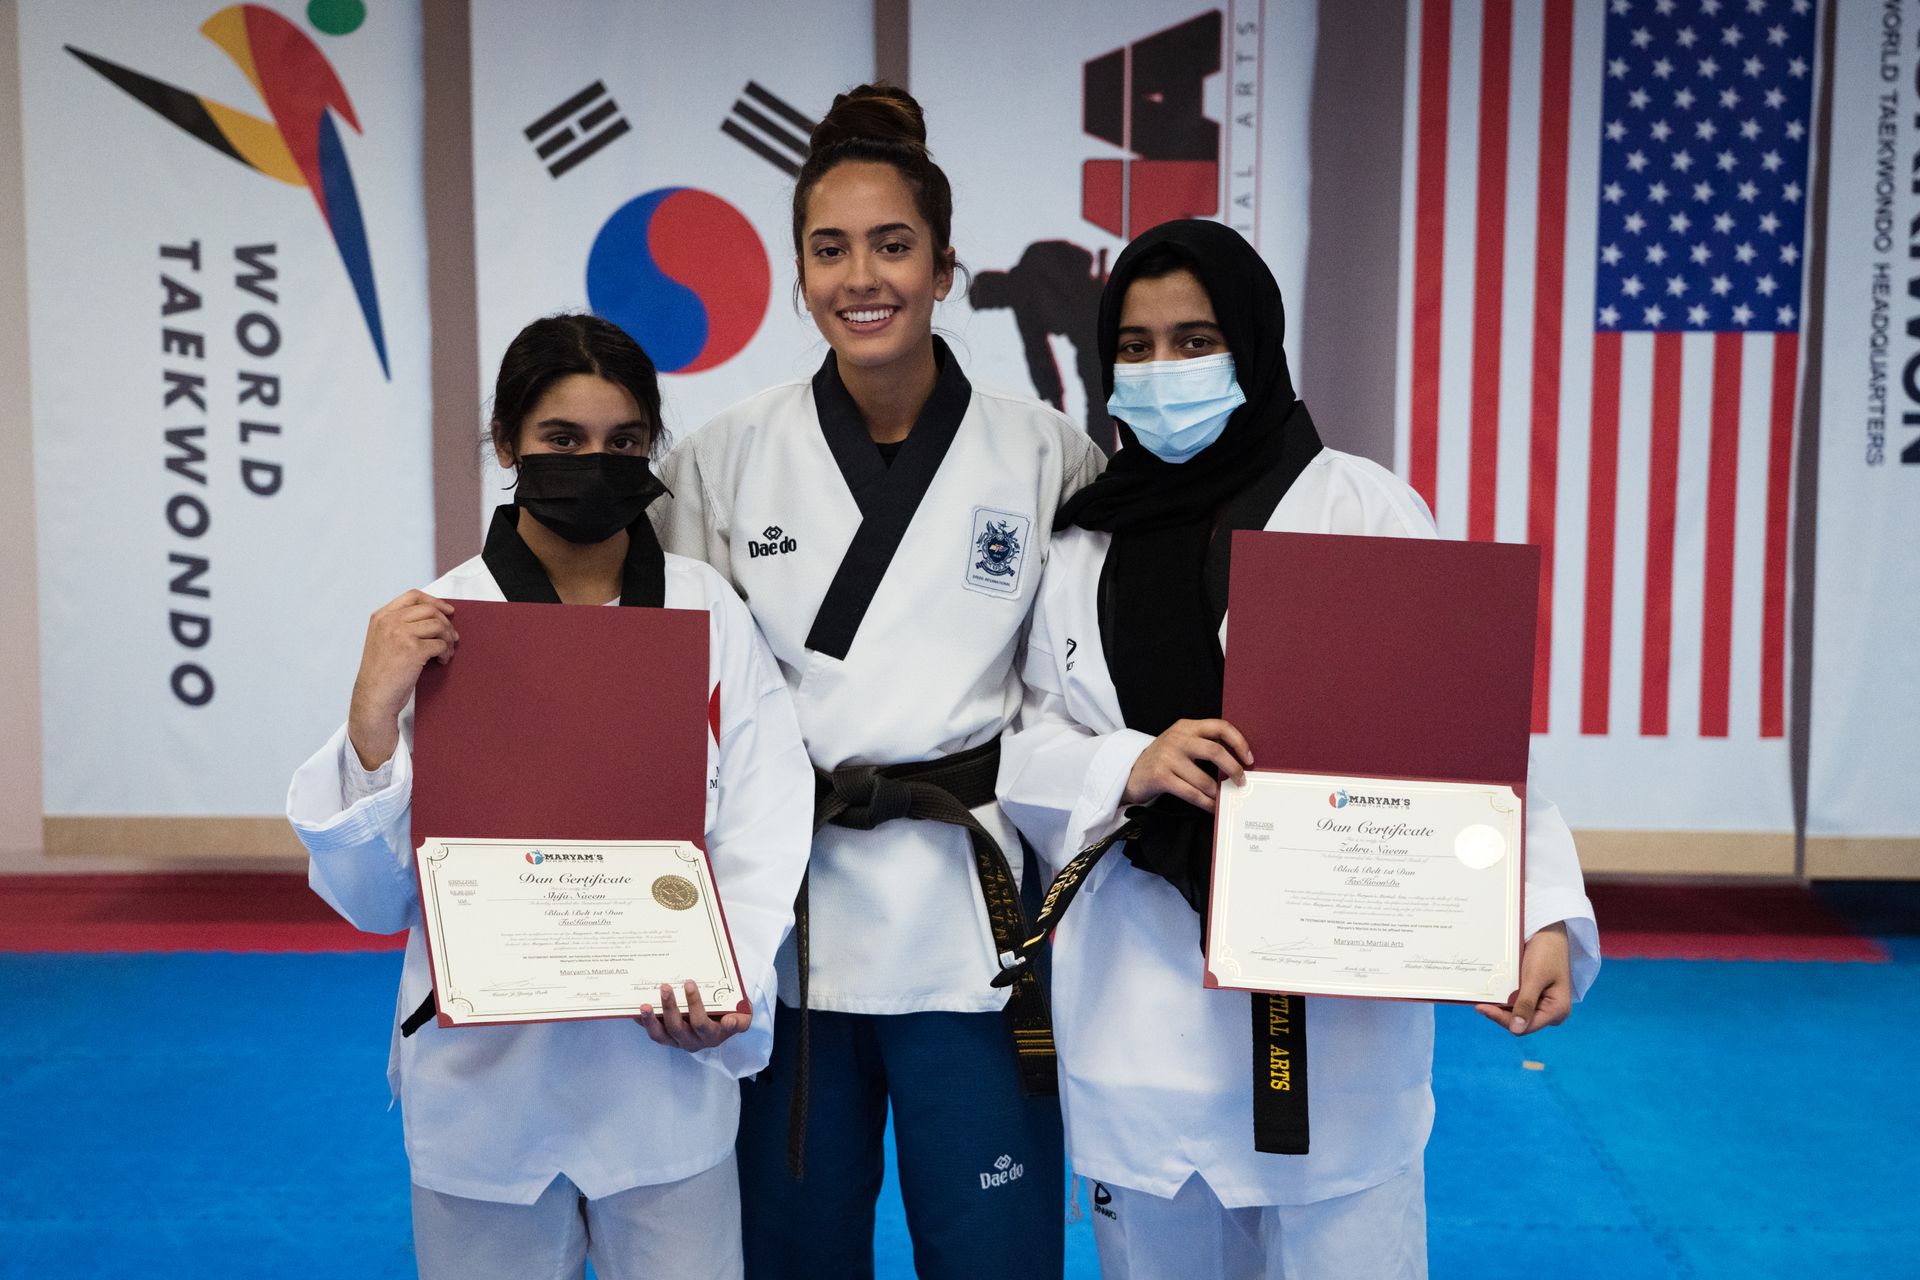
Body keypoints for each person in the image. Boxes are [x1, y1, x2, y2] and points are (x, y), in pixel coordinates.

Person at [995, 219, 1601, 1280]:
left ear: (1258, 342)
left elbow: (1455, 727)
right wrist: (1125, 763)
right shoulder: (1084, 538)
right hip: (1140, 1007)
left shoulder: (1356, 504)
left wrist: (1535, 904)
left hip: (1334, 1003)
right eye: (1133, 347)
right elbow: (1032, 733)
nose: (1161, 368)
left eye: (1195, 339)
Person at [651, 84, 1104, 1280]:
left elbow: (1087, 678)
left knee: (993, 1249)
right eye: (830, 248)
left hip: (975, 913)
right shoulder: (722, 455)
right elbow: (669, 692)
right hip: (786, 902)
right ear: (799, 273)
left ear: (947, 266)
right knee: (793, 1250)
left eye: (894, 245)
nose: (865, 276)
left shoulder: (1045, 449)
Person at [285, 314, 814, 1280]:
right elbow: (370, 900)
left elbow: (764, 821)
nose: (594, 463)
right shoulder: (437, 622)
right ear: (507, 446)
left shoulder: (705, 611)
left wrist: (722, 977)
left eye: (623, 444)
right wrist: (371, 712)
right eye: (562, 442)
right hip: (486, 1089)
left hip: (662, 1067)